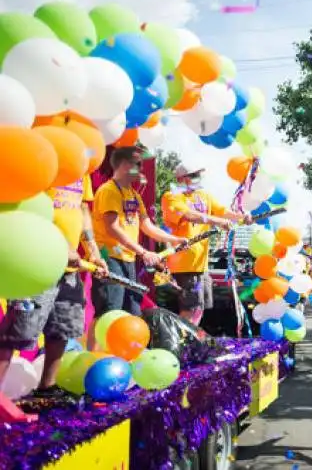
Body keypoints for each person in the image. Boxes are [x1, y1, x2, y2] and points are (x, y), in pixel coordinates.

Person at [0, 173, 108, 398]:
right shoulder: (44, 160)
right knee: (17, 332)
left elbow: (82, 209)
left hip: (68, 270)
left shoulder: (82, 168)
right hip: (36, 265)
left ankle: (46, 389)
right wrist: (58, 248)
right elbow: (30, 210)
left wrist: (93, 251)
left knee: (61, 329)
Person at [90, 147, 186, 345]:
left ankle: (122, 358)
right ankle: (94, 356)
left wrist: (176, 240)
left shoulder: (133, 194)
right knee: (109, 312)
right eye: (138, 164)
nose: (142, 169)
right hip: (109, 259)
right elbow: (113, 228)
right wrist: (143, 252)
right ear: (125, 165)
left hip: (128, 260)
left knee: (130, 312)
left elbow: (147, 225)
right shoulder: (109, 190)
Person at [161, 164, 251, 325]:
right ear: (180, 178)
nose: (197, 178)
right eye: (193, 175)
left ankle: (190, 339)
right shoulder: (171, 197)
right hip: (184, 264)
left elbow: (221, 211)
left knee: (200, 307)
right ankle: (183, 342)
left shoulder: (203, 195)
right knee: (190, 307)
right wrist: (216, 221)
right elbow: (188, 215)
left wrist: (241, 217)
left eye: (198, 175)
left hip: (201, 264)